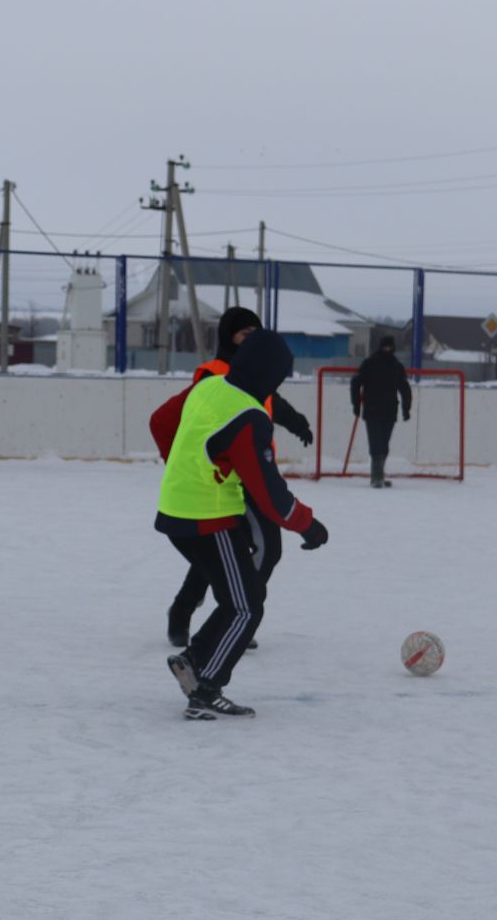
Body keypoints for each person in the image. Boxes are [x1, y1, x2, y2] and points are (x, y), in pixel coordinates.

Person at [153, 327, 328, 719]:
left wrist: (186, 466)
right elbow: (270, 495)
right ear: (271, 375)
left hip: (176, 508)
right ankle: (205, 687)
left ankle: (193, 660)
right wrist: (309, 526)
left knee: (240, 598)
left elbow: (160, 421)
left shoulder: (208, 387)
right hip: (207, 517)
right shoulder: (248, 417)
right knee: (247, 606)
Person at [161, 307, 313, 647]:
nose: (251, 340)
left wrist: (298, 422)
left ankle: (224, 616)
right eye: (244, 334)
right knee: (238, 552)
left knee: (234, 554)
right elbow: (179, 422)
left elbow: (274, 401)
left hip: (253, 475)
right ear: (229, 337)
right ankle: (221, 616)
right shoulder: (214, 375)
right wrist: (187, 465)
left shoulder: (258, 372)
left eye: (255, 333)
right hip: (223, 481)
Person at [349, 333, 412, 488]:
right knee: (376, 443)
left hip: (390, 411)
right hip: (372, 410)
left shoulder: (396, 365)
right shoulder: (370, 363)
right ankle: (375, 477)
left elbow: (405, 388)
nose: (387, 349)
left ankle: (380, 476)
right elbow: (355, 382)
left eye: (389, 346)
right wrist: (356, 404)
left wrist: (406, 408)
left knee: (383, 444)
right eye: (385, 346)